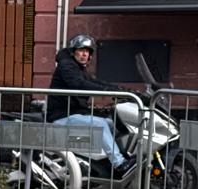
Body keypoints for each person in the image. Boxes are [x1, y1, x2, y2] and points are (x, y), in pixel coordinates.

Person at [46, 34, 133, 178]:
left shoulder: (78, 68)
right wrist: (107, 91)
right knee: (99, 125)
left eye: (87, 51)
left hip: (74, 114)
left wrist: (120, 90)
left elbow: (95, 82)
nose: (84, 54)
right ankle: (119, 164)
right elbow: (79, 84)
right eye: (81, 50)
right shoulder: (67, 66)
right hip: (62, 116)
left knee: (111, 124)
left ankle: (103, 163)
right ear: (73, 51)